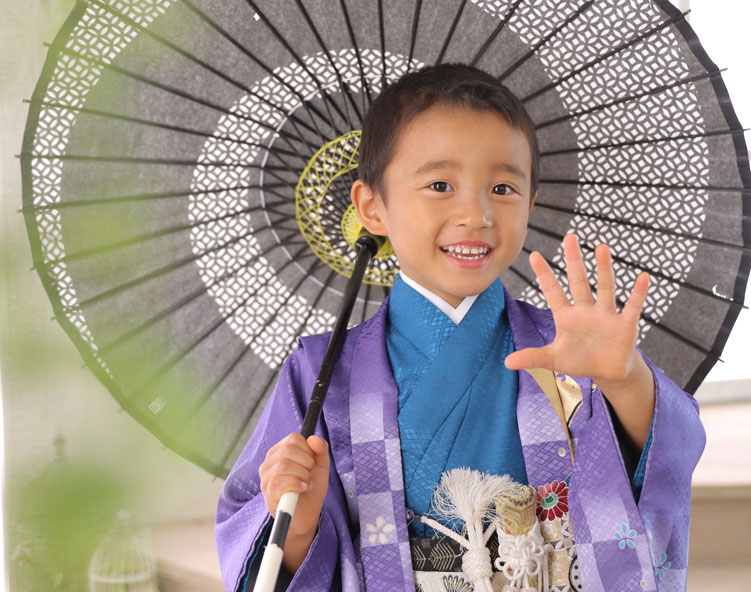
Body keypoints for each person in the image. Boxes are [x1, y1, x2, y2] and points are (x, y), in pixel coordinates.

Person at [215, 63, 705, 592]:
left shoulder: (566, 350)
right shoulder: (320, 371)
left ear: (530, 203)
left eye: (502, 187)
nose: (476, 213)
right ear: (371, 207)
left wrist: (625, 381)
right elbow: (267, 538)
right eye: (440, 184)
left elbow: (660, 465)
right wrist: (299, 523)